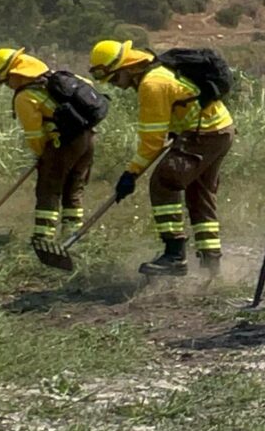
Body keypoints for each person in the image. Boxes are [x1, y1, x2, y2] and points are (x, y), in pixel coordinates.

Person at [89, 39, 234, 276]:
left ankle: (175, 255)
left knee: (164, 182)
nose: (117, 85)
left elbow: (152, 141)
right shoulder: (158, 68)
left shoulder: (152, 84)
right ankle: (211, 263)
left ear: (126, 68)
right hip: (219, 130)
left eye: (115, 78)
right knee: (199, 194)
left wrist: (131, 173)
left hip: (204, 134)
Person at [0, 47, 101, 258]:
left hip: (63, 145)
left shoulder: (25, 96)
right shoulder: (58, 80)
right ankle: (72, 236)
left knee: (48, 189)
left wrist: (43, 156)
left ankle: (42, 240)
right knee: (73, 188)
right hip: (88, 139)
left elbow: (34, 135)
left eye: (4, 81)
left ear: (13, 73)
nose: (6, 85)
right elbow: (90, 89)